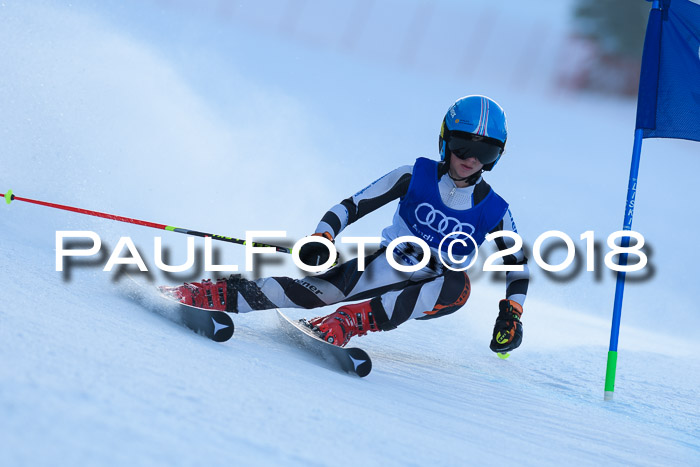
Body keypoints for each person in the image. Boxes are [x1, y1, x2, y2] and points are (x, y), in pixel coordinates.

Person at [166, 95, 530, 354]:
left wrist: (511, 312)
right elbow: (351, 206)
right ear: (445, 141)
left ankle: (348, 322)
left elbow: (519, 269)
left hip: (438, 283)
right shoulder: (413, 175)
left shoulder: (495, 209)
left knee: (458, 284)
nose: (470, 159)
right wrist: (323, 235)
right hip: (390, 261)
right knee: (316, 291)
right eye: (463, 146)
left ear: (497, 156)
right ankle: (215, 294)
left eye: (485, 152)